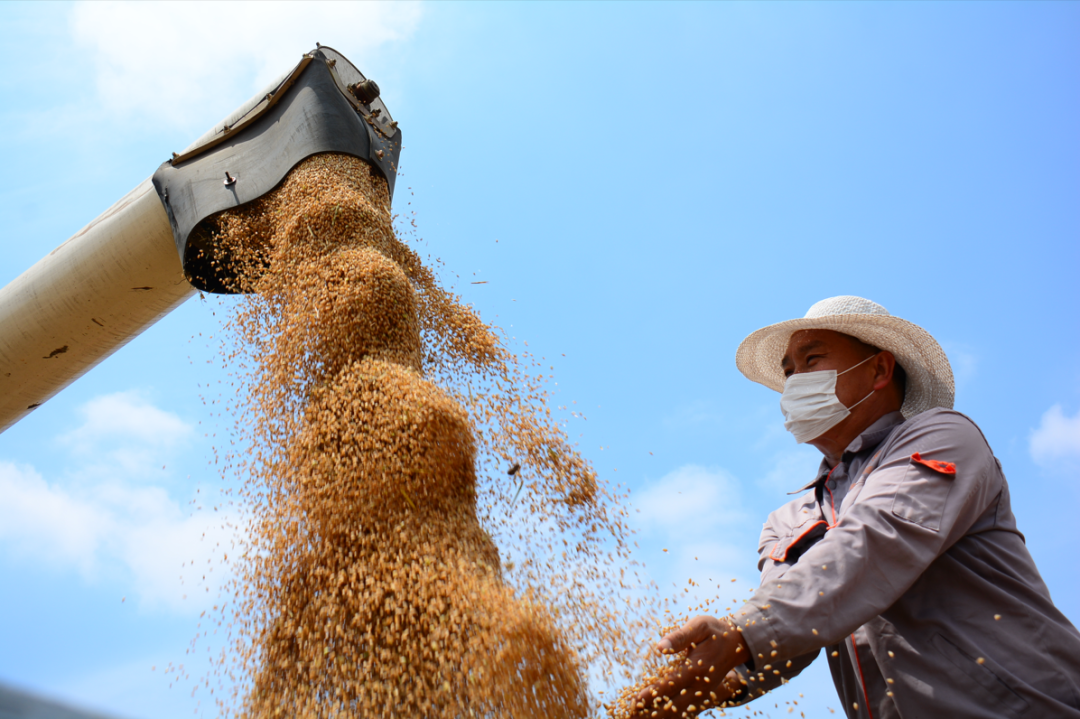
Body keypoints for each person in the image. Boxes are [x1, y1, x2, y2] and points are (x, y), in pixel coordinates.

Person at [633, 296, 1080, 719]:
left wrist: (739, 636)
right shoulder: (788, 522)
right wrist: (728, 679)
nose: (795, 383)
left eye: (812, 360)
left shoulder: (943, 437)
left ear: (879, 370)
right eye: (789, 372)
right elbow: (796, 617)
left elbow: (876, 542)